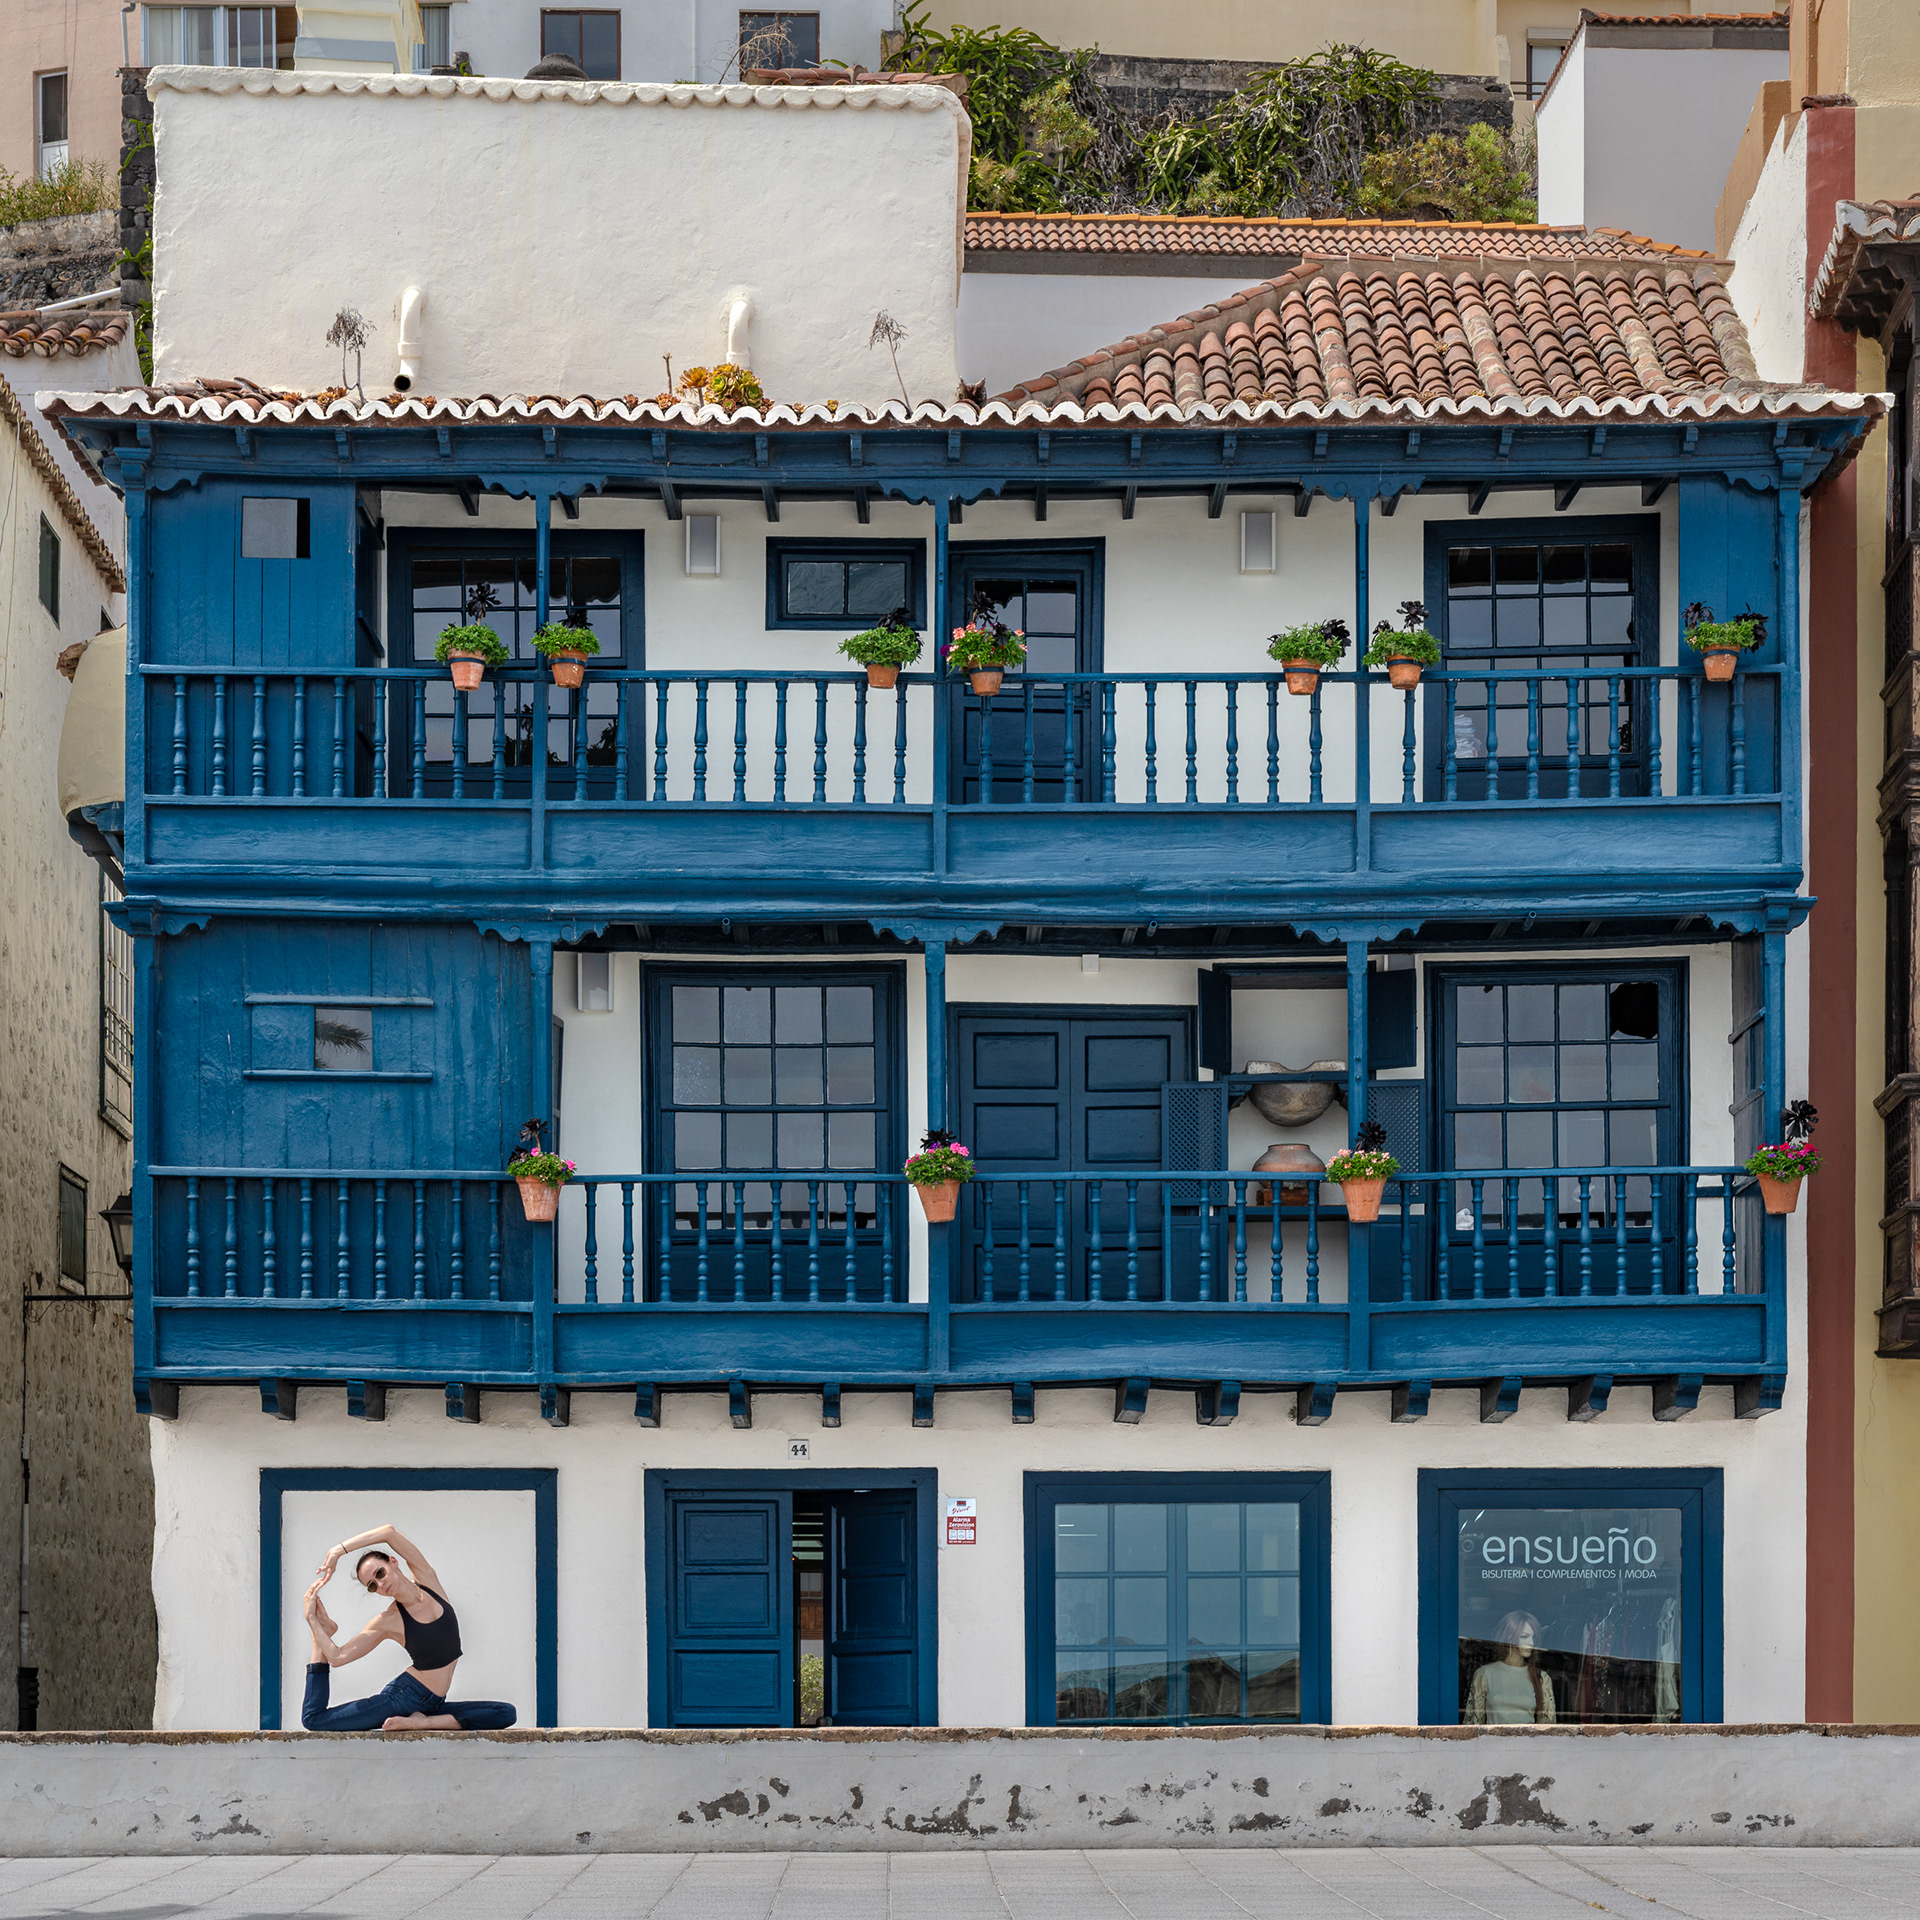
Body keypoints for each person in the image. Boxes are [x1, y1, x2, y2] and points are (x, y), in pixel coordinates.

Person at [299, 1522, 517, 1731]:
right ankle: (322, 1634)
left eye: (380, 1573)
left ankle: (421, 1723)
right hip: (402, 1699)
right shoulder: (388, 1620)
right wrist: (312, 1620)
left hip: (433, 1704)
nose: (381, 1583)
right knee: (313, 1719)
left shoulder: (427, 1579)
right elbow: (337, 1657)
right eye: (373, 1585)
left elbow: (388, 1532)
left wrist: (339, 1550)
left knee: (505, 1712)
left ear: (393, 1562)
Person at [1463, 1609, 1557, 1724]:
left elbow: (1547, 1727)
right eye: (1524, 1637)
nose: (1531, 1643)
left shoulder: (1541, 1678)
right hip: (1492, 1741)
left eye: (1533, 1638)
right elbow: (1473, 1725)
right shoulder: (1484, 1674)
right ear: (1510, 1638)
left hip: (1529, 1741)